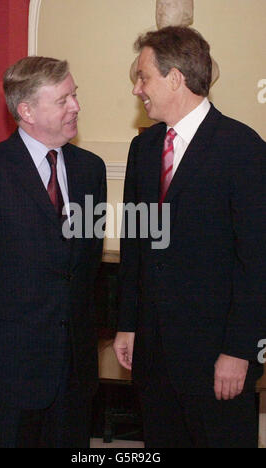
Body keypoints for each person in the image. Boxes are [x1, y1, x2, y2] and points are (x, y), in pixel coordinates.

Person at [114, 26, 266, 448]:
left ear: (175, 78)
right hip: (154, 355)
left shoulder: (243, 148)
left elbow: (257, 263)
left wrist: (240, 351)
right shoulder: (143, 150)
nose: (136, 89)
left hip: (218, 359)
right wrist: (127, 324)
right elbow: (135, 246)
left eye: (143, 77)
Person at [0, 56, 106, 448]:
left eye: (74, 95)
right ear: (26, 111)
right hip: (9, 371)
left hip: (75, 372)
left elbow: (87, 263)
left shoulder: (90, 171)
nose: (76, 106)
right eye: (63, 100)